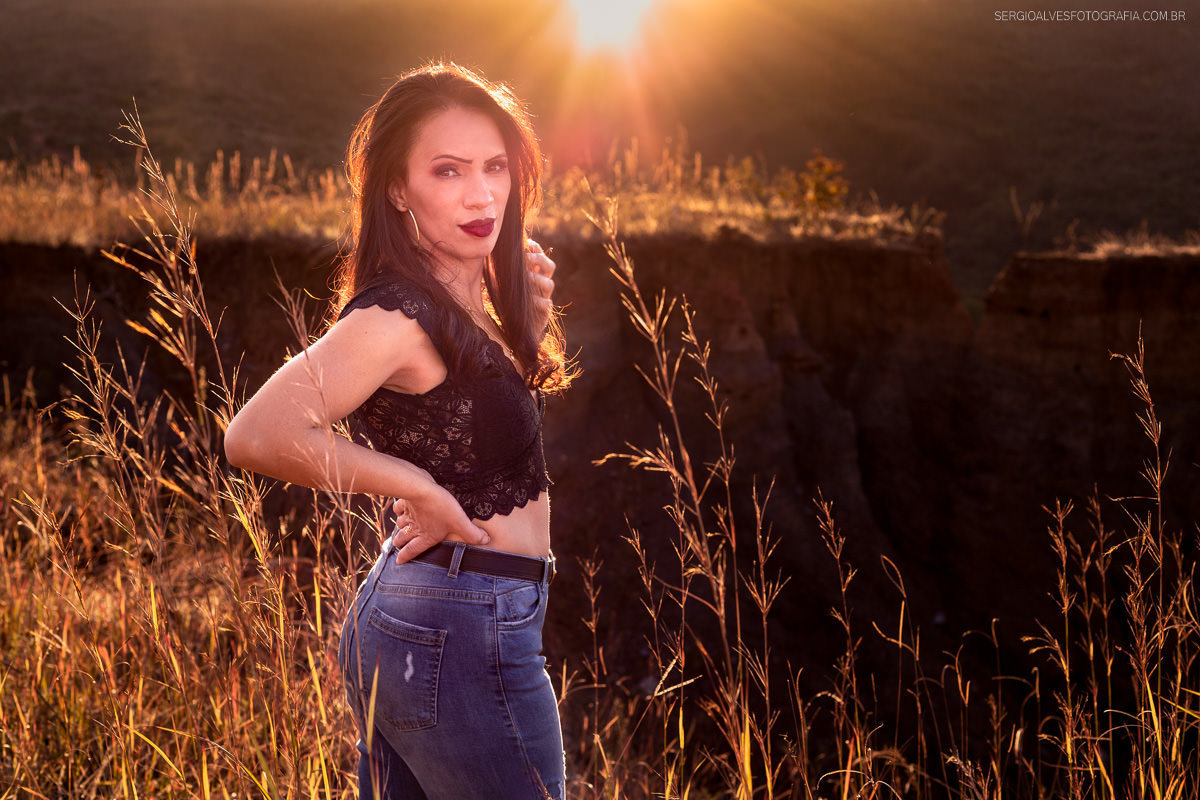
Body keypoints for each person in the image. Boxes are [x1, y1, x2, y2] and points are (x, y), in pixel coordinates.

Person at [223, 61, 576, 799]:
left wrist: (524, 330)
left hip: (441, 615)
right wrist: (418, 488)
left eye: (494, 167)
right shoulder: (397, 314)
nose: (481, 194)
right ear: (396, 189)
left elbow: (475, 421)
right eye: (447, 171)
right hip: (461, 623)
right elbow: (255, 434)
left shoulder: (460, 297)